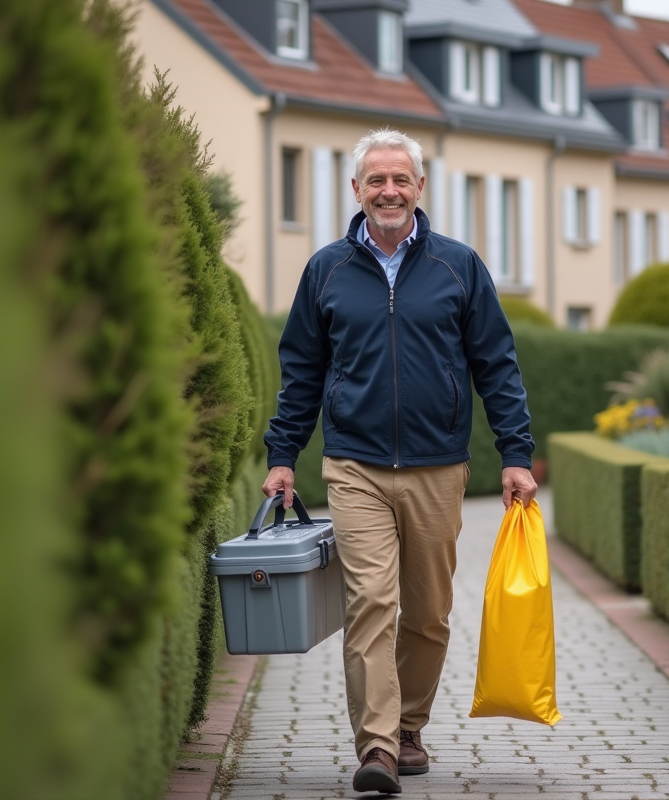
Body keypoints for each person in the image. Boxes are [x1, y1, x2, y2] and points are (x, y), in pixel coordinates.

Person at [263, 128, 537, 795]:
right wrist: (282, 455)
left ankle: (412, 725)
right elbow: (301, 368)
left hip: (439, 467)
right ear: (356, 190)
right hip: (352, 466)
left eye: (401, 179)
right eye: (376, 180)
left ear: (420, 188)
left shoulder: (458, 266)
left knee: (428, 612)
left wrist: (516, 453)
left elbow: (495, 364)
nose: (389, 190)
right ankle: (379, 748)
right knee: (370, 604)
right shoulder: (326, 269)